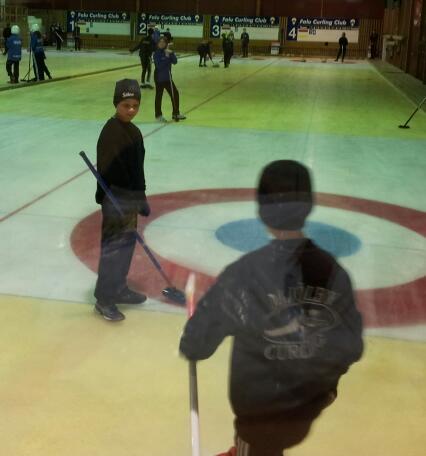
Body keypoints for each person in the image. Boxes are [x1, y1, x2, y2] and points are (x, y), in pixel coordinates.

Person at [180, 160, 364, 456]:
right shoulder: (332, 271)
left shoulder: (244, 273)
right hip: (306, 408)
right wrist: (323, 386)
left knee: (257, 446)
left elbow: (196, 345)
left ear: (262, 210)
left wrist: (193, 337)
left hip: (258, 414)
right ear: (308, 206)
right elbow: (351, 345)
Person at [94, 79, 150, 322]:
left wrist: (141, 196)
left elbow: (138, 170)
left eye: (135, 105)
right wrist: (119, 197)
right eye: (126, 105)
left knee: (126, 248)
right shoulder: (110, 132)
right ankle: (104, 299)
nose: (131, 110)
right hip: (114, 202)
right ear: (116, 104)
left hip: (129, 202)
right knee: (113, 251)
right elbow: (107, 170)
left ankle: (119, 288)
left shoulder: (134, 132)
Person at [153, 37, 186, 122]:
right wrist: (167, 57)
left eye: (163, 42)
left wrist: (171, 53)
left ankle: (176, 113)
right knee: (159, 96)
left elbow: (175, 61)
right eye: (160, 42)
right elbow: (159, 66)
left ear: (166, 44)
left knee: (175, 94)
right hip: (159, 78)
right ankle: (158, 115)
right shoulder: (156, 53)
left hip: (168, 78)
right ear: (158, 44)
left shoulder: (168, 51)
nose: (161, 43)